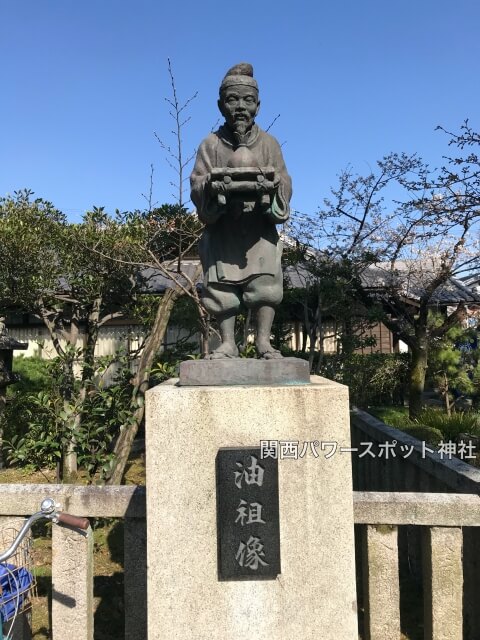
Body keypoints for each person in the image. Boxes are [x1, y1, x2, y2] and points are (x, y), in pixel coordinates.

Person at [190, 62, 292, 359]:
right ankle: (227, 343)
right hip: (224, 229)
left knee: (265, 286)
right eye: (233, 100)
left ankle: (263, 342)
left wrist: (272, 187)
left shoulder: (269, 143)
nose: (240, 107)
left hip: (259, 229)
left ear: (258, 106)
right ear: (221, 105)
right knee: (221, 288)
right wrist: (211, 186)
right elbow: (197, 182)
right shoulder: (210, 145)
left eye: (247, 101)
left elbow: (284, 180)